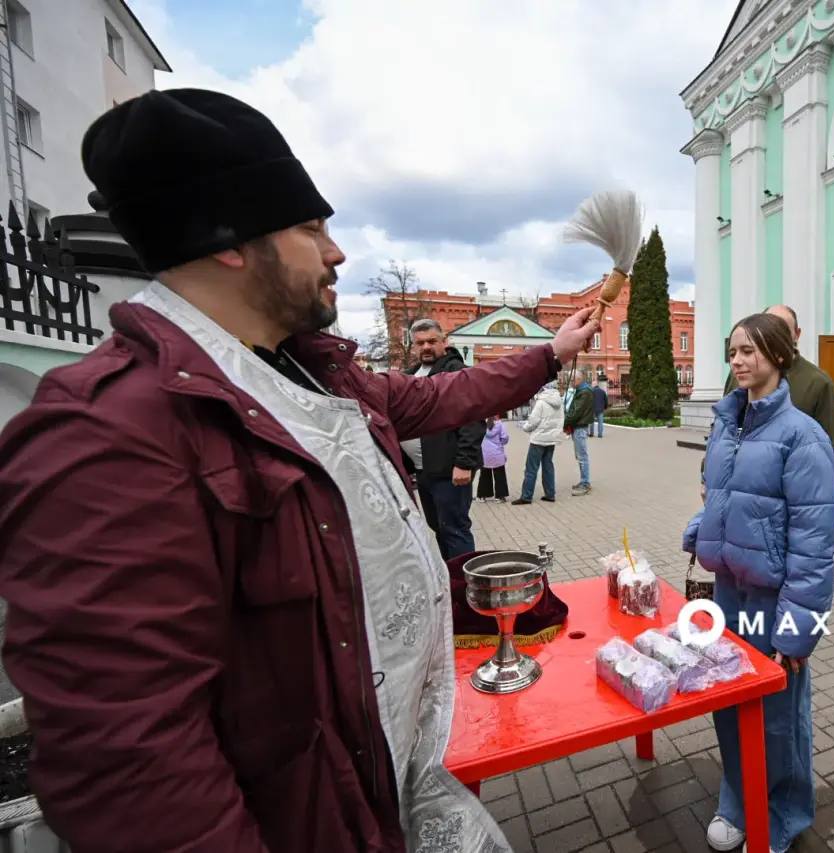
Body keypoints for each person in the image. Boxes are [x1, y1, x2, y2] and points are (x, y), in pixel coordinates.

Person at [0, 89, 598, 853]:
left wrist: (550, 354)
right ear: (229, 239)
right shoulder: (108, 436)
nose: (336, 252)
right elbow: (136, 771)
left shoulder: (313, 373)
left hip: (375, 787)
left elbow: (440, 397)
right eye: (311, 228)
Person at [684, 312, 834, 853]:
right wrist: (701, 530)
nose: (738, 360)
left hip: (774, 601)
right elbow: (721, 496)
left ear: (778, 354)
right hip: (727, 592)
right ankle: (738, 796)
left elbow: (814, 544)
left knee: (778, 717)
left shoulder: (803, 436)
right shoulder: (728, 424)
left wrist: (796, 631)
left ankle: (781, 814)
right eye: (732, 351)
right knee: (729, 703)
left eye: (749, 350)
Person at [720, 304, 834, 489]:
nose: (773, 332)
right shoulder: (739, 376)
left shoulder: (818, 382)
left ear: (797, 334)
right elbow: (724, 428)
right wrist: (708, 476)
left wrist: (832, 490)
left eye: (781, 328)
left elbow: (832, 444)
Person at [402, 318, 484, 559]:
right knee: (439, 526)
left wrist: (464, 463)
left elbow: (473, 417)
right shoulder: (410, 375)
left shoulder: (457, 372)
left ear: (444, 342)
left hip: (451, 470)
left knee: (455, 529)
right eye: (420, 343)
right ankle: (450, 574)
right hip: (423, 470)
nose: (426, 347)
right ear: (413, 346)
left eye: (432, 341)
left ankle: (464, 580)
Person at [512, 381, 563, 505]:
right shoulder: (559, 401)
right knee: (548, 466)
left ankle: (526, 496)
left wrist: (525, 427)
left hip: (538, 440)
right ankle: (550, 494)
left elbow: (533, 421)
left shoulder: (541, 402)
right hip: (551, 439)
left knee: (531, 468)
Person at [563, 370, 594, 495]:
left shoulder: (584, 392)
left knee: (582, 456)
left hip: (580, 427)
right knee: (580, 456)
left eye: (572, 380)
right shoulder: (582, 390)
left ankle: (585, 483)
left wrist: (564, 423)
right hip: (578, 426)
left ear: (579, 379)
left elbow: (576, 412)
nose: (570, 382)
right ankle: (583, 481)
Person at [476, 415, 510, 502]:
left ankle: (482, 496)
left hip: (485, 454)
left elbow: (477, 437)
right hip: (497, 453)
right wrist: (500, 444)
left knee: (484, 475)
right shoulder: (500, 424)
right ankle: (500, 497)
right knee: (500, 475)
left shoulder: (481, 423)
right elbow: (505, 438)